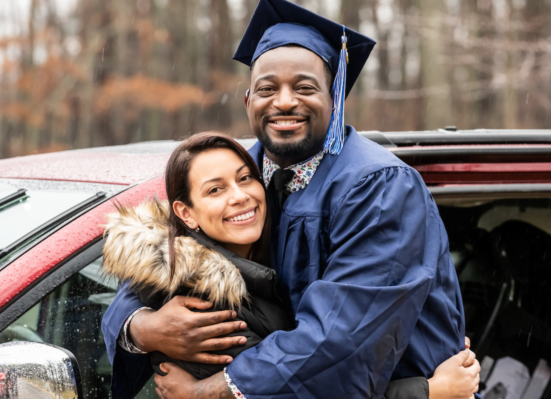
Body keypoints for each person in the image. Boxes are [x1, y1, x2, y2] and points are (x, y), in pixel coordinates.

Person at [102, 0, 478, 397]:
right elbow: (158, 266)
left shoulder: (380, 188)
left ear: (335, 101)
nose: (283, 102)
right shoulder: (240, 176)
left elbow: (339, 340)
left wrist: (210, 392)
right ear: (249, 101)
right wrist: (144, 328)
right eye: (267, 89)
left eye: (304, 87)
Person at [102, 133, 480, 398]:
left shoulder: (283, 201)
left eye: (245, 179)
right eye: (215, 190)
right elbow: (309, 382)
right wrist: (431, 392)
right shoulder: (207, 309)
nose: (240, 196)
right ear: (186, 214)